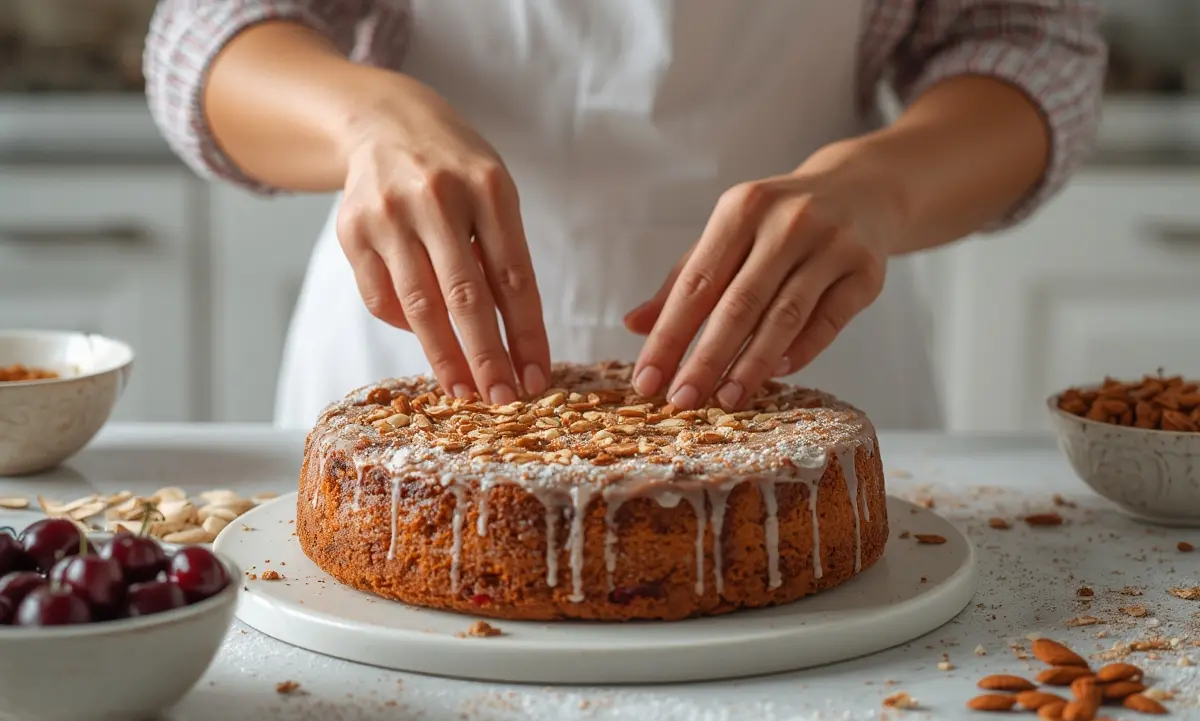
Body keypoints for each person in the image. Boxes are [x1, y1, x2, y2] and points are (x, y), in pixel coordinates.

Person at [144, 0, 1106, 430]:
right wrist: (368, 122)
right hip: (416, 349)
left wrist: (882, 187)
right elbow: (207, 30)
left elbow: (1029, 45)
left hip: (811, 356)